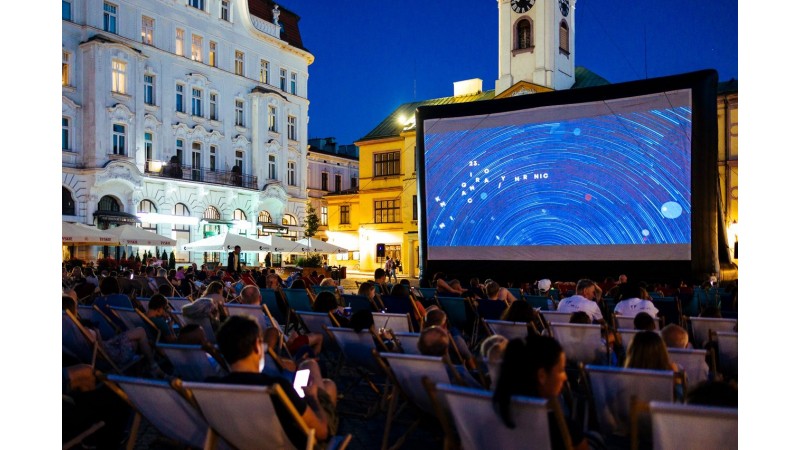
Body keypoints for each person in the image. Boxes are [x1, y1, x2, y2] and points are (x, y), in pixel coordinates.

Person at [205, 316, 337, 446]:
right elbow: (321, 432)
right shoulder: (276, 387)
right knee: (325, 383)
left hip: (240, 442)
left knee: (326, 384)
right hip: (291, 444)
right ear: (257, 348)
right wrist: (312, 397)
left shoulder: (209, 387)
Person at [492, 334, 596, 450]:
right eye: (561, 370)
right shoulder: (560, 428)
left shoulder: (495, 416)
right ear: (542, 376)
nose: (565, 377)